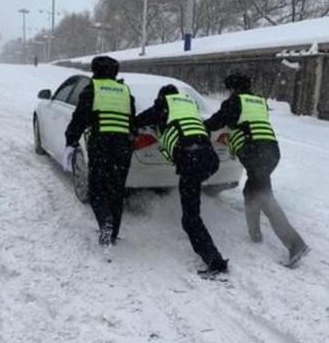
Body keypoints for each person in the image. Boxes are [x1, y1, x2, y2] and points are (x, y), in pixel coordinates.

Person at [205, 73, 309, 268]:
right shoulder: (258, 101)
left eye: (229, 89)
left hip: (254, 152)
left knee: (264, 197)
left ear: (233, 88)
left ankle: (296, 244)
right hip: (271, 151)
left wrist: (200, 127)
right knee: (252, 191)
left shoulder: (234, 102)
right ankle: (255, 235)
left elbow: (215, 123)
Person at [135, 85, 229, 276]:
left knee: (190, 218)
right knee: (191, 197)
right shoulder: (188, 105)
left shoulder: (163, 105)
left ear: (162, 97)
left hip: (190, 158)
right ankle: (209, 250)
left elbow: (138, 121)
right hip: (209, 159)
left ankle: (214, 261)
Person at [63, 56, 136, 247]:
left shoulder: (92, 90)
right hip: (123, 147)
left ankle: (105, 222)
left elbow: (79, 119)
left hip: (102, 145)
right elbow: (132, 120)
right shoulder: (125, 91)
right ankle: (113, 234)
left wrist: (71, 141)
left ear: (94, 71)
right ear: (115, 72)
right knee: (116, 190)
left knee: (96, 189)